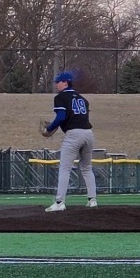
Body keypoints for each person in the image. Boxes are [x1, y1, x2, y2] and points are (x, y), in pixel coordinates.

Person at [42, 71, 97, 211]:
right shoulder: (83, 99)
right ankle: (92, 200)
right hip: (88, 133)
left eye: (58, 82)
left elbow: (61, 117)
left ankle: (60, 202)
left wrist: (49, 129)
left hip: (74, 134)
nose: (56, 84)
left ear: (65, 82)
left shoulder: (61, 97)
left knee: (65, 168)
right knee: (86, 168)